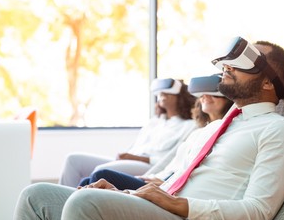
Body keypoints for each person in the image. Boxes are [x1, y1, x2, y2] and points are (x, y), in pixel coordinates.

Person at [8, 37, 284, 220]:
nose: (227, 66)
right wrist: (126, 196)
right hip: (165, 214)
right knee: (36, 197)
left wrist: (177, 205)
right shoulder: (213, 129)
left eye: (245, 61)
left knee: (85, 205)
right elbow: (171, 181)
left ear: (267, 82)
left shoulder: (279, 131)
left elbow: (257, 214)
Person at [77, 74, 234, 190]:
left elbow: (193, 173)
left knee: (101, 175)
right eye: (203, 94)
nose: (206, 97)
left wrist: (164, 181)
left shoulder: (218, 133)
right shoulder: (199, 133)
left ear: (229, 100)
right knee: (87, 182)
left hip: (169, 186)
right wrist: (152, 177)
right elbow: (172, 165)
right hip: (160, 177)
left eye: (214, 94)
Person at [59, 78, 197, 187]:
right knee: (73, 160)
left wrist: (134, 158)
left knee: (101, 171)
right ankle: (62, 202)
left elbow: (170, 159)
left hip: (150, 166)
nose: (162, 96)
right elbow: (136, 147)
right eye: (161, 93)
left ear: (180, 97)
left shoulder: (188, 126)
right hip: (131, 159)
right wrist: (127, 155)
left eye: (167, 93)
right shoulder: (154, 122)